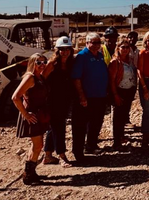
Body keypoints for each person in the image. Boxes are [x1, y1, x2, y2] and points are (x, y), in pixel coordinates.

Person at [12, 53, 50, 185]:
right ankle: (28, 175)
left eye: (43, 61)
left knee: (36, 145)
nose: (41, 65)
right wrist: (26, 115)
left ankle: (30, 172)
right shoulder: (30, 77)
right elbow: (15, 97)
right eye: (38, 62)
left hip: (39, 115)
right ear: (32, 63)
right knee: (38, 145)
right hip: (32, 117)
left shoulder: (39, 77)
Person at [71, 32, 109, 163]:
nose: (95, 45)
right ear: (87, 43)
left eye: (98, 42)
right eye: (92, 42)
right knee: (80, 125)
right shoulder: (82, 57)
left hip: (100, 96)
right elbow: (76, 78)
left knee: (96, 122)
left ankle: (91, 145)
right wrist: (82, 96)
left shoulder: (99, 55)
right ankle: (78, 152)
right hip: (87, 97)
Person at [42, 37, 75, 168]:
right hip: (53, 100)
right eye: (62, 49)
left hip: (65, 99)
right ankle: (62, 156)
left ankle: (48, 155)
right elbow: (42, 80)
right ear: (57, 50)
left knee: (54, 127)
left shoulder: (70, 63)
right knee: (59, 127)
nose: (65, 52)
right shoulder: (52, 64)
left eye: (67, 49)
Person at [108, 38, 138, 150]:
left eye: (127, 47)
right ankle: (116, 142)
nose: (125, 49)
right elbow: (111, 80)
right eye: (123, 47)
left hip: (129, 90)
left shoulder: (130, 60)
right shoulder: (115, 62)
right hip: (119, 91)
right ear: (118, 48)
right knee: (117, 117)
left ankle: (121, 136)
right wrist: (115, 95)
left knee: (124, 115)